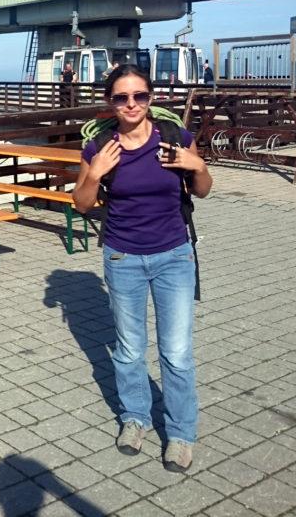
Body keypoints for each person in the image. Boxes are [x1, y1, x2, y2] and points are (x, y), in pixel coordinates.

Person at [72, 64, 212, 473]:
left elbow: (202, 190)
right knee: (130, 348)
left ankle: (181, 434)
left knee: (177, 352)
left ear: (151, 99)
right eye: (121, 97)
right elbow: (81, 204)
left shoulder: (174, 139)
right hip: (123, 258)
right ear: (109, 102)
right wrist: (95, 174)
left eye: (140, 96)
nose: (131, 104)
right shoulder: (99, 146)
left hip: (174, 256)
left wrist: (197, 166)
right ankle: (134, 418)